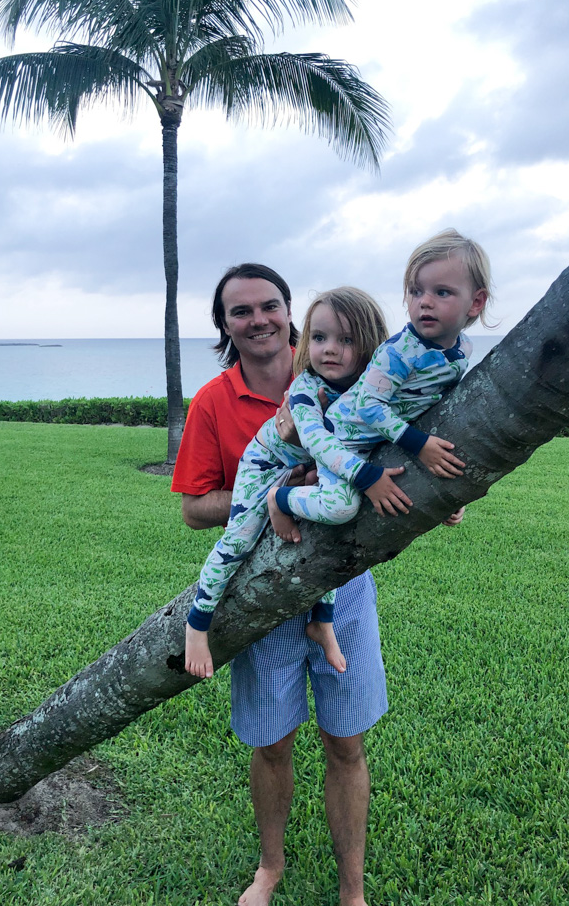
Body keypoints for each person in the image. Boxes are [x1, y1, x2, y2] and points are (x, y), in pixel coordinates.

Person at [172, 264, 390, 906]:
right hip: (262, 586)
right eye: (241, 311)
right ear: (225, 326)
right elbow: (192, 506)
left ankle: (352, 890)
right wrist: (278, 493)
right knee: (270, 741)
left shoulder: (346, 385)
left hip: (342, 587)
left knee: (346, 743)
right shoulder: (213, 401)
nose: (259, 319)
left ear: (289, 312)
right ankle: (271, 868)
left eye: (270, 305)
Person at [184, 287, 410, 679]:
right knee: (239, 538)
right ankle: (197, 622)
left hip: (321, 465)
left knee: (333, 535)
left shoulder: (369, 391)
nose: (329, 350)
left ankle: (322, 621)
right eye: (320, 338)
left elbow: (400, 435)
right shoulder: (306, 387)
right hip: (266, 464)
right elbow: (315, 440)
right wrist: (363, 476)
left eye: (347, 339)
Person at [268, 228, 491, 540]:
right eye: (415, 291)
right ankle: (279, 499)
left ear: (476, 302)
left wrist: (447, 497)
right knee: (341, 508)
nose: (424, 302)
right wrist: (419, 445)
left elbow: (438, 413)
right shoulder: (398, 352)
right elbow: (368, 405)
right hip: (344, 438)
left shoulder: (463, 350)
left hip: (382, 441)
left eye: (441, 292)